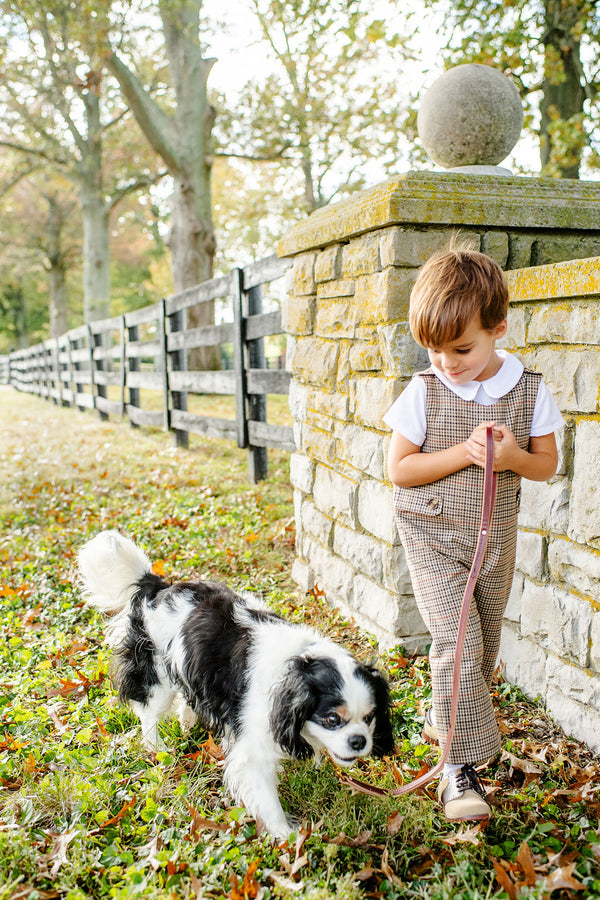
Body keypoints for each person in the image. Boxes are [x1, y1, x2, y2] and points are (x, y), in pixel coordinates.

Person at [383, 243, 563, 823]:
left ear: (498, 329)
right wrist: (464, 453)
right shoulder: (424, 392)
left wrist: (511, 456)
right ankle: (458, 771)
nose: (447, 362)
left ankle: (453, 718)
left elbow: (546, 465)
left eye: (461, 348)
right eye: (434, 350)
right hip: (432, 532)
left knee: (479, 648)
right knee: (455, 640)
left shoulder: (530, 390)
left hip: (494, 536)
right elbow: (400, 470)